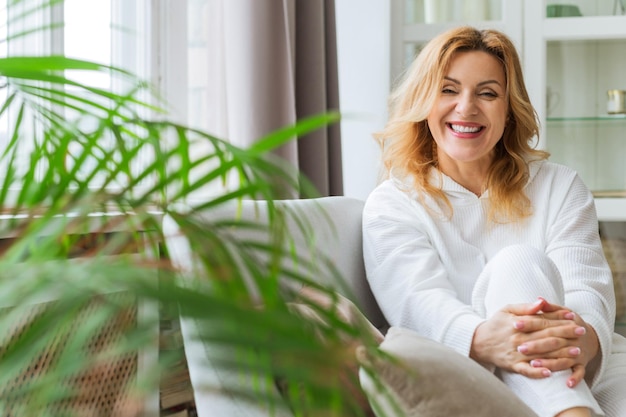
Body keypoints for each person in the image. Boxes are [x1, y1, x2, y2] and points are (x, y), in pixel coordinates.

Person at [362, 26, 626, 417]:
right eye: (448, 90)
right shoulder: (393, 203)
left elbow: (587, 291)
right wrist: (486, 339)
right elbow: (418, 304)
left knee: (519, 263)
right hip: (474, 370)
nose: (466, 107)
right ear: (424, 102)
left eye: (487, 93)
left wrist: (576, 344)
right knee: (518, 262)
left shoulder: (560, 186)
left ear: (508, 108)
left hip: (584, 365)